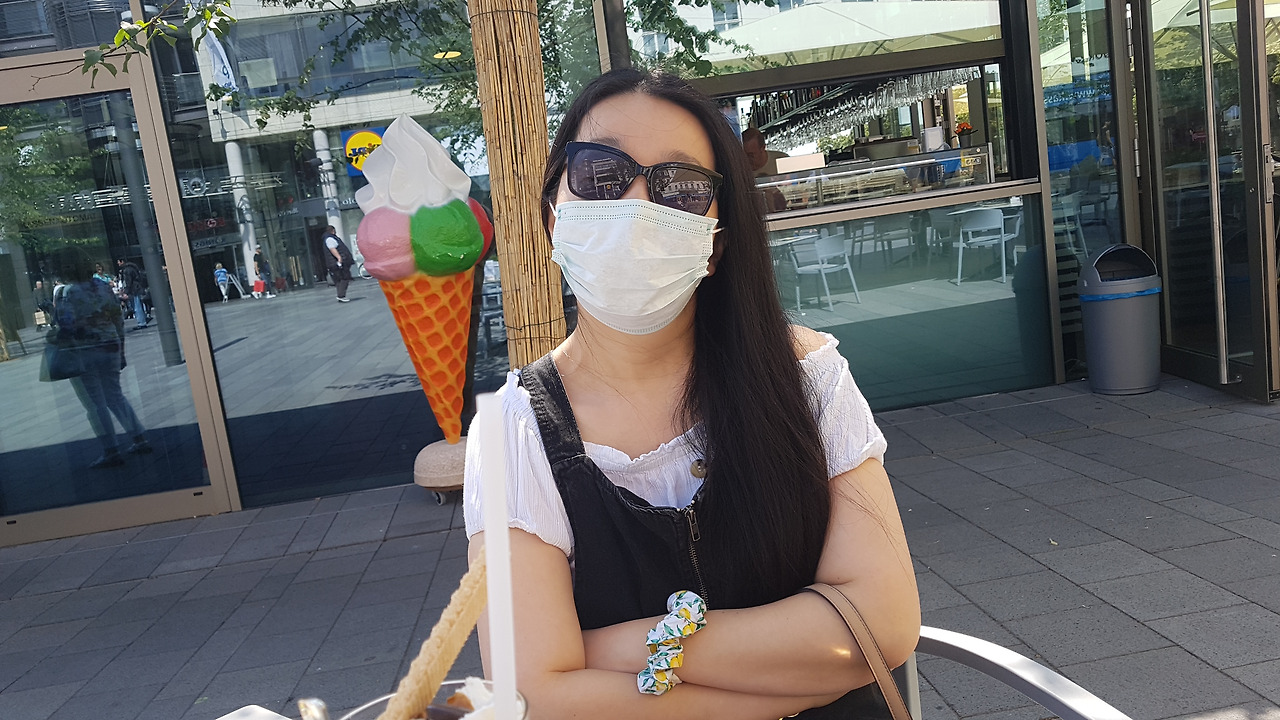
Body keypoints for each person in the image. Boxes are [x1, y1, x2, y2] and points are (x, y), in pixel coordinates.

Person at [463, 69, 918, 719]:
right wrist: (793, 674)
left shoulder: (807, 377)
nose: (637, 206)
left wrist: (614, 651)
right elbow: (534, 699)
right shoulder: (510, 433)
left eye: (680, 188)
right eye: (600, 173)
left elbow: (882, 624)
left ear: (716, 242)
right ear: (553, 211)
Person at [56, 251, 152, 469]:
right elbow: (118, 319)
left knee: (94, 403)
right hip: (110, 345)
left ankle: (111, 450)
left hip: (85, 349)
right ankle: (139, 437)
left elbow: (66, 324)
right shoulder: (103, 287)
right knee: (115, 395)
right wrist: (121, 349)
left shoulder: (67, 292)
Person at [323, 225, 354, 302]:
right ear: (333, 231)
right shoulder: (330, 239)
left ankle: (341, 295)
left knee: (339, 280)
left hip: (335, 263)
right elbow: (332, 249)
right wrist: (339, 258)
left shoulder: (329, 238)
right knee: (344, 278)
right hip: (337, 263)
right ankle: (341, 295)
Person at [115, 258, 148, 328]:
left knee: (137, 306)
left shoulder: (127, 270)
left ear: (122, 261)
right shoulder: (132, 267)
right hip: (137, 288)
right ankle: (143, 319)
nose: (118, 263)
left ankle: (141, 322)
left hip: (134, 290)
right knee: (139, 305)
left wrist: (126, 292)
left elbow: (128, 282)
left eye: (118, 262)